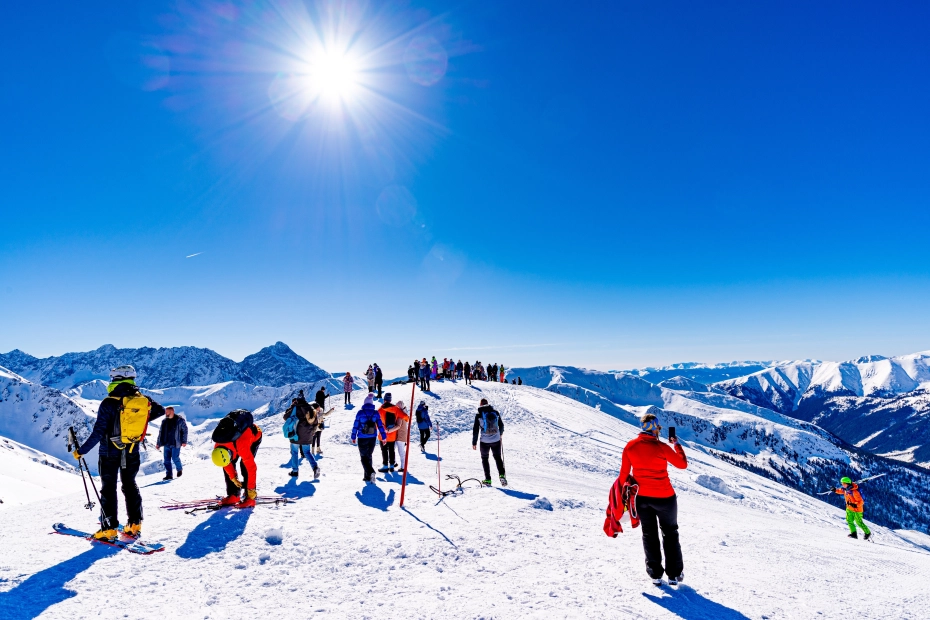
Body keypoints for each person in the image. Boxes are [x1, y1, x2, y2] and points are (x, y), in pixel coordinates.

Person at [72, 365, 165, 540]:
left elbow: (98, 432)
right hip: (132, 449)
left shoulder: (109, 402)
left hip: (109, 452)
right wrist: (138, 419)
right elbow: (160, 410)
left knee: (109, 488)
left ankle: (109, 529)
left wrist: (81, 451)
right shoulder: (143, 399)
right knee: (130, 485)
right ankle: (134, 524)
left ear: (116, 380)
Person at [618, 413, 688, 586]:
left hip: (642, 499)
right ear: (655, 428)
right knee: (670, 533)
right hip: (665, 498)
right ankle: (674, 575)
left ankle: (655, 574)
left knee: (649, 534)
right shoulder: (662, 447)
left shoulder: (630, 447)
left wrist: (621, 498)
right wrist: (676, 444)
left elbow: (623, 475)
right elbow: (682, 464)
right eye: (658, 428)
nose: (659, 431)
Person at [211, 409, 263, 508]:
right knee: (229, 467)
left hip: (254, 437)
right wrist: (233, 478)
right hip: (234, 444)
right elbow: (225, 463)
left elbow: (251, 467)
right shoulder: (218, 445)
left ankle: (250, 498)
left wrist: (251, 488)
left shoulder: (241, 446)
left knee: (244, 466)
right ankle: (234, 495)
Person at [351, 393, 387, 483]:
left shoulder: (360, 413)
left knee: (363, 457)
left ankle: (371, 472)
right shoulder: (376, 413)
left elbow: (355, 426)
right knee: (369, 456)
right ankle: (367, 477)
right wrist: (384, 437)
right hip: (372, 438)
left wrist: (353, 436)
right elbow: (380, 426)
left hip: (362, 438)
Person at [282, 394, 320, 480]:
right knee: (307, 452)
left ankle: (295, 471)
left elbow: (285, 417)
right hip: (307, 434)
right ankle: (315, 467)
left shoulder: (295, 408)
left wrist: (292, 406)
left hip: (295, 434)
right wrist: (312, 432)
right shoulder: (310, 408)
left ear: (297, 400)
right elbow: (315, 422)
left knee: (294, 452)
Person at [472, 398, 506, 486]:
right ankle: (502, 475)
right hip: (496, 439)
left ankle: (488, 479)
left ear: (480, 405)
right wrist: (500, 434)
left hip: (484, 441)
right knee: (498, 457)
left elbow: (476, 430)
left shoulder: (479, 415)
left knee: (485, 458)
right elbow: (501, 425)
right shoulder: (495, 412)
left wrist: (474, 442)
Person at [155, 406, 188, 480]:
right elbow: (161, 433)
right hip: (166, 443)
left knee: (175, 458)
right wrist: (158, 443)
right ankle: (169, 475)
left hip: (176, 443)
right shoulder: (164, 421)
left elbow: (185, 430)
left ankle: (179, 469)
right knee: (166, 460)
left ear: (172, 412)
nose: (165, 413)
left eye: (167, 412)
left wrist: (184, 441)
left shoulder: (180, 420)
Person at [377, 393, 404, 472]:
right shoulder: (395, 409)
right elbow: (399, 422)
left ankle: (385, 466)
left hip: (383, 435)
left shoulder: (380, 409)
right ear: (390, 400)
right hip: (392, 434)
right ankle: (392, 465)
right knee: (392, 450)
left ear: (384, 400)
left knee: (384, 450)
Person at [394, 401, 411, 471]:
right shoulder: (403, 413)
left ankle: (403, 467)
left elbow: (398, 425)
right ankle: (394, 462)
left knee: (401, 451)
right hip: (399, 435)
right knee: (392, 449)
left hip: (401, 436)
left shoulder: (401, 414)